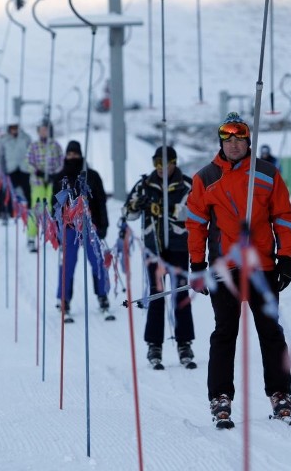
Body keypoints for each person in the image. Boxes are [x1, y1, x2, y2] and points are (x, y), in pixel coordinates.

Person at [185, 112, 291, 425]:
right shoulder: (205, 178)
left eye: (240, 138)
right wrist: (196, 264)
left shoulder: (266, 174)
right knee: (224, 332)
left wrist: (285, 257)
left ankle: (280, 393)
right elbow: (196, 225)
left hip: (262, 267)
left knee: (271, 332)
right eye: (228, 139)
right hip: (224, 270)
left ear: (249, 140)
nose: (234, 145)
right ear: (221, 142)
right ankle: (220, 396)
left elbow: (283, 217)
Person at [123, 145, 196, 369]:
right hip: (153, 246)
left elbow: (196, 212)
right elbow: (128, 213)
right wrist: (138, 205)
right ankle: (154, 345)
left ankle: (184, 343)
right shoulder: (145, 184)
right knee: (156, 294)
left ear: (174, 163)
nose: (162, 168)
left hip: (178, 245)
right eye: (158, 164)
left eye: (167, 164)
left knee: (180, 291)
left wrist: (167, 209)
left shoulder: (186, 185)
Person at [52, 140, 111, 316]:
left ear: (80, 155)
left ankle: (102, 295)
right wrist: (56, 229)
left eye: (75, 154)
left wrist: (103, 225)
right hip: (69, 227)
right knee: (67, 264)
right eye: (70, 154)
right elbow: (54, 205)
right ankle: (64, 299)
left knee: (97, 262)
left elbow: (101, 201)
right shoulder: (60, 178)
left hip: (90, 226)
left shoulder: (91, 176)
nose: (73, 157)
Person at [26, 119, 63, 252]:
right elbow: (28, 163)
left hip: (51, 182)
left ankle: (57, 236)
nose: (44, 132)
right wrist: (37, 171)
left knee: (53, 209)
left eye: (46, 129)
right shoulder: (34, 146)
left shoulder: (55, 146)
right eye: (42, 129)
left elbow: (61, 162)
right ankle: (31, 237)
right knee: (37, 208)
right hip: (38, 183)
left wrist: (55, 174)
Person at [0, 123, 32, 220]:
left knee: (28, 191)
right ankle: (9, 213)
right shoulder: (4, 140)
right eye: (12, 128)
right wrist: (1, 171)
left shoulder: (26, 138)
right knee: (7, 193)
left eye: (16, 127)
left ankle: (30, 212)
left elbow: (32, 152)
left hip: (24, 170)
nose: (14, 130)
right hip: (10, 170)